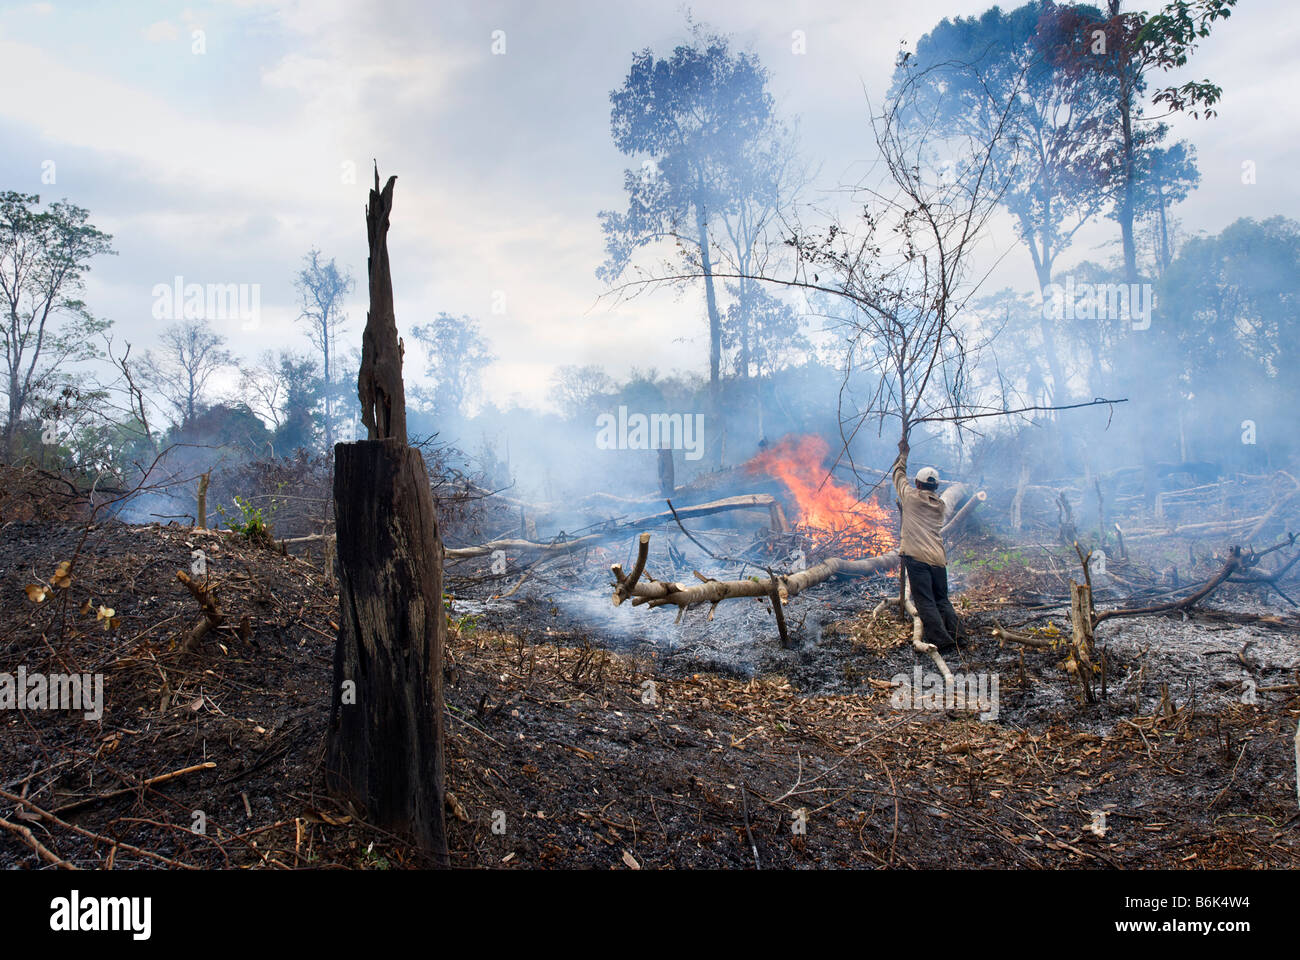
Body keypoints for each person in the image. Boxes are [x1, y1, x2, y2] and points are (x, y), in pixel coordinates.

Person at [892, 435, 961, 653]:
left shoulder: (910, 497)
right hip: (938, 560)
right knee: (942, 600)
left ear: (917, 484)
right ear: (936, 487)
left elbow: (897, 474)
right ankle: (961, 636)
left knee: (925, 602)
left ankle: (943, 641)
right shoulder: (940, 506)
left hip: (917, 558)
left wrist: (904, 454)